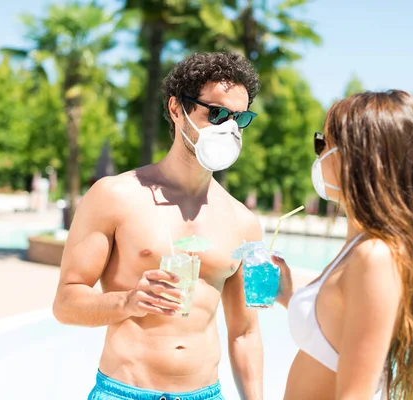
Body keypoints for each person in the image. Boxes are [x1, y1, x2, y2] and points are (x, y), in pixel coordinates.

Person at [52, 52, 264, 400]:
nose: (229, 128)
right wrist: (128, 302)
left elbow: (246, 332)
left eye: (240, 119)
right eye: (217, 113)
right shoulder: (114, 196)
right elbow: (65, 302)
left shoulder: (246, 223)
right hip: (123, 392)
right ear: (177, 108)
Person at [271, 90, 413, 400]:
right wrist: (287, 291)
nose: (318, 155)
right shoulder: (358, 246)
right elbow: (337, 320)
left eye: (323, 144)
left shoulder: (374, 256)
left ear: (357, 157)